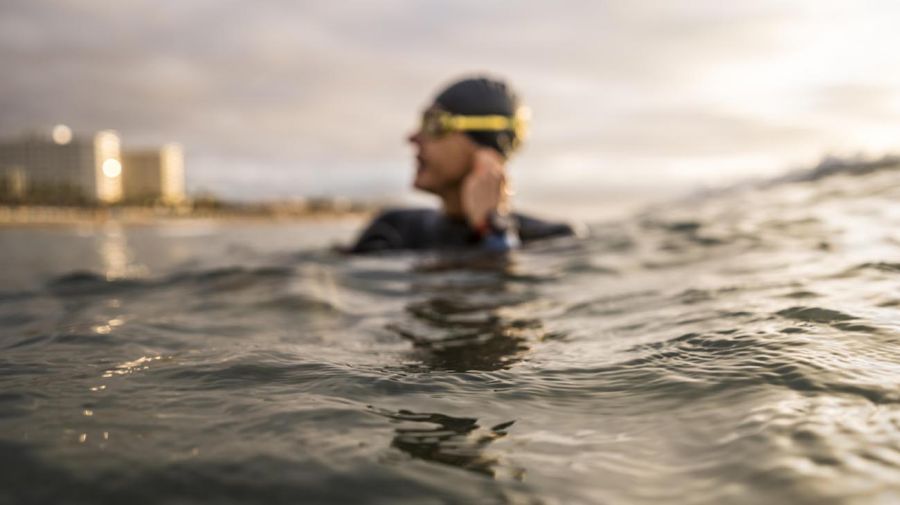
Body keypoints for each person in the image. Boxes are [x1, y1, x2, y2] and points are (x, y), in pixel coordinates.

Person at [350, 75, 574, 254]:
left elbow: (507, 300)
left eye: (434, 123)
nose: (413, 137)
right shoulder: (391, 230)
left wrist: (493, 231)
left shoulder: (557, 239)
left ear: (485, 148)